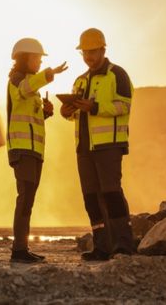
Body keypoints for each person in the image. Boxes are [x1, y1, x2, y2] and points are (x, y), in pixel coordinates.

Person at [60, 28, 135, 261]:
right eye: (85, 53)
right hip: (84, 148)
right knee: (91, 199)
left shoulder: (117, 75)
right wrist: (67, 110)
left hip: (108, 146)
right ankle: (101, 247)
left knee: (112, 194)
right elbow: (75, 115)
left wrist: (95, 108)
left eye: (92, 52)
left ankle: (123, 245)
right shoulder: (80, 80)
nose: (88, 57)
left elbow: (124, 106)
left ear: (103, 50)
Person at [7, 37, 67, 263]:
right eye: (37, 58)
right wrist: (50, 74)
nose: (40, 63)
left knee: (28, 199)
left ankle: (22, 248)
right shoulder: (17, 80)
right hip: (22, 150)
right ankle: (18, 250)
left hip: (33, 150)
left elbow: (30, 117)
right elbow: (24, 88)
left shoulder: (31, 84)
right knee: (25, 198)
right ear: (25, 58)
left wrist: (46, 113)